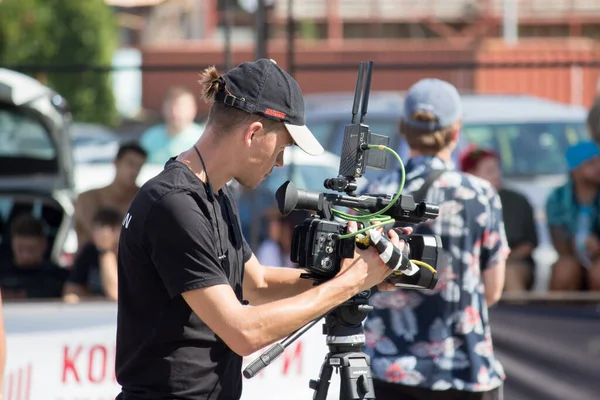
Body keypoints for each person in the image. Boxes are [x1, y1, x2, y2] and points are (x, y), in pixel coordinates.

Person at [115, 58, 408, 400]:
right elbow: (243, 331)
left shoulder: (215, 191)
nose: (280, 162)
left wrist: (351, 272)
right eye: (282, 146)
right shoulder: (175, 203)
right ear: (253, 133)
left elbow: (257, 283)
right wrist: (352, 282)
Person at [362, 78, 509, 400]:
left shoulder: (373, 193)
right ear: (457, 132)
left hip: (385, 368)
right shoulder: (479, 194)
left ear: (403, 128)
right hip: (462, 369)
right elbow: (493, 290)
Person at [460, 145, 538, 292]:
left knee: (509, 272)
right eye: (490, 171)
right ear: (470, 174)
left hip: (513, 262)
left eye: (498, 169)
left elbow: (529, 243)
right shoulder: (459, 204)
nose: (497, 175)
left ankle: (518, 314)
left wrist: (498, 261)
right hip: (471, 263)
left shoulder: (517, 201)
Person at [545, 141, 600, 291]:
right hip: (571, 256)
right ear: (575, 169)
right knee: (565, 271)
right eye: (591, 163)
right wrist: (576, 244)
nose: (598, 167)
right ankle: (559, 315)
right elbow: (559, 244)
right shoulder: (558, 197)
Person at [74, 142, 147, 251]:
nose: (134, 171)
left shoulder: (145, 200)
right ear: (116, 163)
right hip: (91, 264)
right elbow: (99, 237)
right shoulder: (88, 199)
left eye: (139, 166)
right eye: (130, 164)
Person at [0, 214, 68, 299]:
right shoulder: (2, 273)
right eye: (20, 249)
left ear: (44, 245)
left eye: (31, 249)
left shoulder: (59, 277)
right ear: (12, 244)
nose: (26, 255)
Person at [63, 207, 122, 303]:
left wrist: (105, 251)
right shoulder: (89, 251)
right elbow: (71, 290)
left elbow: (115, 294)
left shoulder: (128, 253)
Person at [140, 86, 205, 164]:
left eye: (181, 107)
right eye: (170, 107)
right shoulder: (150, 137)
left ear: (193, 109)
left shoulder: (203, 139)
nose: (175, 112)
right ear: (163, 108)